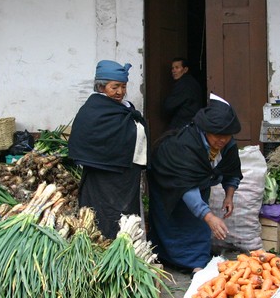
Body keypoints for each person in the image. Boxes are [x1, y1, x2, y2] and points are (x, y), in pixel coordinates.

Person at [148, 94, 243, 273]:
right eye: (217, 135)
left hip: (198, 181)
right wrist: (209, 217)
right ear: (205, 130)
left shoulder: (227, 145)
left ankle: (196, 262)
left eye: (227, 136)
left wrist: (229, 196)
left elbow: (232, 171)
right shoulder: (185, 146)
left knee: (196, 221)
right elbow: (186, 187)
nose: (222, 140)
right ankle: (165, 255)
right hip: (167, 177)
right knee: (171, 216)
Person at [68, 60, 148, 239]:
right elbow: (86, 139)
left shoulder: (124, 108)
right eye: (115, 87)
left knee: (126, 215)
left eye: (124, 86)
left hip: (126, 176)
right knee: (104, 215)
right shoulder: (93, 111)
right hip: (103, 176)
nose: (120, 92)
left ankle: (125, 249)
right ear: (102, 87)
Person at [163, 57, 203, 131]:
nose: (174, 71)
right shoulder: (190, 82)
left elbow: (169, 105)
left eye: (177, 68)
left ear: (185, 70)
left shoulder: (184, 84)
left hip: (184, 124)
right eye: (173, 68)